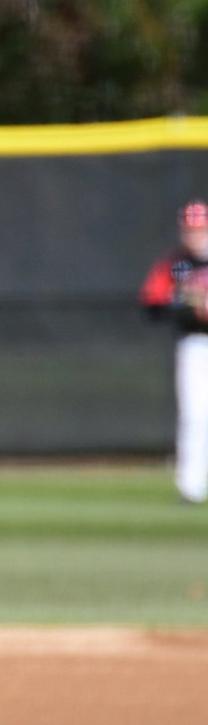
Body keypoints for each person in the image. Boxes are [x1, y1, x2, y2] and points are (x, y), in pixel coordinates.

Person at [139, 199, 208, 505]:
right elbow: (152, 304)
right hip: (194, 345)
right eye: (190, 229)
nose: (194, 235)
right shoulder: (176, 263)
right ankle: (191, 487)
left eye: (200, 229)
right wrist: (184, 306)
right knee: (195, 416)